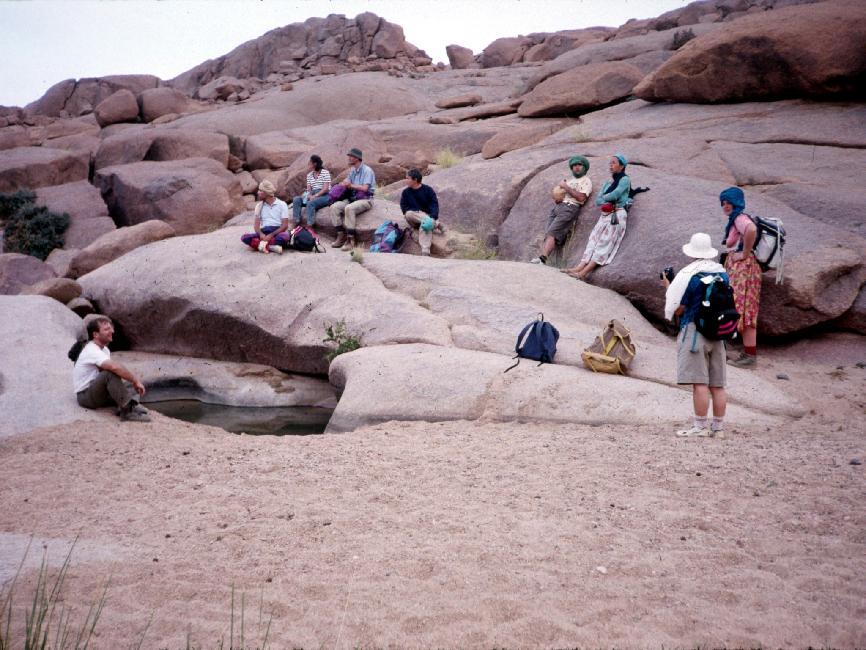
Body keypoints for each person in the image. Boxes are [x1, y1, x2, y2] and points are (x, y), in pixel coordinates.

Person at [663, 232, 728, 438]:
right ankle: (718, 428)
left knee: (699, 383)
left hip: (694, 332)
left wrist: (668, 286)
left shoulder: (689, 276)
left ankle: (699, 426)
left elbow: (679, 309)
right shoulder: (722, 273)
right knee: (717, 385)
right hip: (718, 333)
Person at [69, 316, 150, 422]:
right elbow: (113, 368)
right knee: (111, 374)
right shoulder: (91, 350)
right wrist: (135, 380)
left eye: (111, 328)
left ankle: (127, 405)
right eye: (107, 329)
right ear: (95, 334)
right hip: (86, 396)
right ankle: (127, 412)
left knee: (129, 383)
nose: (112, 331)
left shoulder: (105, 349)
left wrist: (133, 382)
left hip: (99, 392)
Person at [564, 154, 631, 280]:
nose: (610, 165)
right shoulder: (609, 182)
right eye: (610, 163)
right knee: (593, 240)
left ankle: (582, 274)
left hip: (616, 215)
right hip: (605, 214)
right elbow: (597, 201)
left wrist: (604, 198)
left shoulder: (625, 180)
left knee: (604, 243)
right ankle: (579, 267)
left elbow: (615, 195)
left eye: (613, 163)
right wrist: (604, 198)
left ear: (622, 166)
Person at [720, 186, 760, 368]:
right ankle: (745, 353)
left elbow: (751, 230)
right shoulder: (735, 219)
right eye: (723, 202)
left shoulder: (740, 218)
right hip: (743, 269)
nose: (726, 206)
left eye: (729, 202)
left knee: (739, 309)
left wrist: (744, 253)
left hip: (742, 270)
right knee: (742, 309)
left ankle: (748, 357)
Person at [531, 155, 592, 265]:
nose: (576, 167)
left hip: (570, 207)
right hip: (559, 207)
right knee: (549, 233)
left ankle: (542, 259)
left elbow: (582, 198)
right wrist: (557, 195)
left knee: (552, 233)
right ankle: (544, 258)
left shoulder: (586, 181)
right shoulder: (570, 180)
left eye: (579, 165)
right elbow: (562, 195)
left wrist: (566, 187)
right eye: (574, 165)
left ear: (584, 167)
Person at [331, 148, 375, 251]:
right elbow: (346, 181)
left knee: (349, 208)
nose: (349, 158)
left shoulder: (367, 171)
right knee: (334, 207)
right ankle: (341, 236)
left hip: (366, 199)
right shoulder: (353, 171)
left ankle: (351, 240)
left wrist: (351, 185)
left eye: (351, 156)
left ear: (357, 158)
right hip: (353, 198)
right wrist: (343, 184)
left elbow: (365, 188)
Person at [400, 168, 444, 256]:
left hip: (426, 218)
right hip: (413, 217)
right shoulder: (406, 192)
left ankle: (425, 251)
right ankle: (435, 223)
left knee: (425, 224)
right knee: (409, 214)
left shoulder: (428, 190)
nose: (406, 180)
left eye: (408, 178)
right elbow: (404, 208)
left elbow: (434, 206)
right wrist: (419, 212)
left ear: (415, 180)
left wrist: (432, 217)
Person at [241, 180, 290, 254]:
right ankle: (271, 247)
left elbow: (285, 226)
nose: (258, 193)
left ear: (267, 192)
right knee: (244, 237)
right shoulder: (259, 206)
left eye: (260, 191)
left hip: (277, 231)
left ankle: (260, 245)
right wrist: (261, 234)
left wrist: (271, 235)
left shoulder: (282, 204)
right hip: (264, 232)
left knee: (285, 236)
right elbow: (256, 226)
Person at [291, 154, 331, 227]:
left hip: (324, 195)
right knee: (296, 199)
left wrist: (315, 196)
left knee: (310, 203)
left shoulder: (325, 172)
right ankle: (296, 221)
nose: (308, 165)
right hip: (313, 194)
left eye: (309, 163)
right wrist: (309, 195)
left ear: (315, 164)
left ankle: (310, 225)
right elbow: (309, 189)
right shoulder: (309, 175)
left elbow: (325, 188)